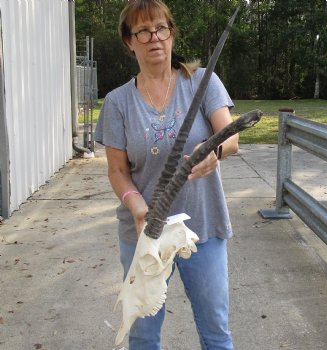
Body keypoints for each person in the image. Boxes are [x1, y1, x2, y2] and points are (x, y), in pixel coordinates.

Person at [94, 1, 239, 349]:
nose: (153, 38)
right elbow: (117, 171)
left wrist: (212, 153)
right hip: (144, 233)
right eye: (142, 31)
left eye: (160, 28)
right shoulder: (117, 102)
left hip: (202, 227)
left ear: (171, 33)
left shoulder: (202, 81)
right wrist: (137, 207)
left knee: (215, 331)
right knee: (143, 335)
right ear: (129, 41)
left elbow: (230, 138)